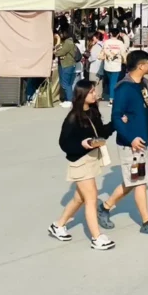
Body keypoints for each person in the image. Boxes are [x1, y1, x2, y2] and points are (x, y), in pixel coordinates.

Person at [99, 50, 148, 236]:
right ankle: (147, 222)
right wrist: (131, 138)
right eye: (147, 63)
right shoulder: (124, 88)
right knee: (139, 182)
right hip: (131, 145)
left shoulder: (144, 83)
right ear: (141, 66)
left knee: (131, 182)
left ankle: (105, 208)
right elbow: (116, 116)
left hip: (142, 140)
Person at [49, 79, 116, 250]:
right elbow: (64, 143)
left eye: (95, 91)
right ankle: (97, 237)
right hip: (80, 162)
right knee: (91, 199)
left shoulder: (93, 112)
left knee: (79, 198)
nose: (95, 94)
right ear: (82, 94)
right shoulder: (73, 118)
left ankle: (58, 226)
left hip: (91, 159)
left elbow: (101, 133)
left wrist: (117, 122)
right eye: (92, 91)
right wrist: (82, 144)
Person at [53, 30, 78, 109]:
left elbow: (61, 52)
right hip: (67, 64)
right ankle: (67, 100)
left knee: (66, 84)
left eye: (61, 33)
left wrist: (54, 52)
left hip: (67, 65)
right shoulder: (67, 42)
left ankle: (70, 101)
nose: (60, 35)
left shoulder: (68, 42)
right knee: (67, 83)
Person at [101, 30, 127, 103]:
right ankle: (112, 98)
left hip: (108, 65)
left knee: (111, 81)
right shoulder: (120, 43)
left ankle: (111, 95)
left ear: (110, 34)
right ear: (118, 34)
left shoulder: (106, 42)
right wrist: (125, 61)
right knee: (113, 82)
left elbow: (104, 51)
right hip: (117, 65)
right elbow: (123, 53)